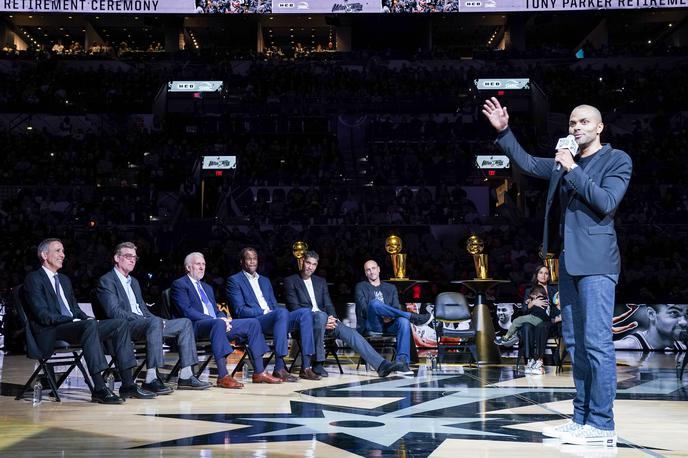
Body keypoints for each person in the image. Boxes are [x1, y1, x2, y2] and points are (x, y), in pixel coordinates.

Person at [483, 98, 632, 446]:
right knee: (576, 344)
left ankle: (602, 423)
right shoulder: (565, 161)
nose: (575, 127)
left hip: (598, 264)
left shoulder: (616, 159)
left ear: (599, 128)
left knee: (597, 344)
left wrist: (572, 170)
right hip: (568, 264)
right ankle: (581, 418)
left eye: (582, 122)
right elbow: (527, 162)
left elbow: (607, 202)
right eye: (570, 123)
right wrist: (504, 130)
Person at [23, 238, 153, 404]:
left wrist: (85, 318)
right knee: (89, 325)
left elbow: (75, 309)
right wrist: (75, 320)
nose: (62, 255)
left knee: (119, 323)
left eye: (63, 251)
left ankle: (128, 384)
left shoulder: (64, 280)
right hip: (51, 330)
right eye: (58, 251)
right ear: (44, 254)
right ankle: (99, 388)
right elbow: (43, 315)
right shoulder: (34, 279)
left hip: (75, 326)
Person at [96, 242, 211, 393]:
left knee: (184, 323)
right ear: (117, 258)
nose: (132, 260)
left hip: (146, 325)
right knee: (154, 322)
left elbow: (143, 309)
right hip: (124, 327)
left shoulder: (134, 282)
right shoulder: (107, 280)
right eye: (128, 256)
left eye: (134, 257)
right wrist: (147, 321)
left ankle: (186, 376)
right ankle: (151, 378)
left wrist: (158, 320)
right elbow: (114, 312)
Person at [283, 251, 405, 378]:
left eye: (314, 264)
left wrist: (333, 319)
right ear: (302, 261)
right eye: (308, 263)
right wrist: (324, 320)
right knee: (320, 317)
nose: (310, 267)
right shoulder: (290, 281)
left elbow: (329, 305)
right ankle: (317, 363)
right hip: (306, 324)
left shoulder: (320, 281)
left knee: (352, 333)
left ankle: (381, 365)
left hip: (327, 322)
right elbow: (295, 308)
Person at [171, 252, 282, 387]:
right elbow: (186, 311)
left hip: (216, 325)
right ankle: (223, 375)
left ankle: (259, 372)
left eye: (204, 264)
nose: (202, 267)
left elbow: (217, 311)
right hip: (194, 326)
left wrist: (224, 318)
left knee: (252, 323)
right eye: (198, 264)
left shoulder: (207, 287)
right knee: (217, 323)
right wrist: (216, 320)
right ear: (188, 267)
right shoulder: (180, 284)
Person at [226, 247, 319, 382]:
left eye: (255, 258)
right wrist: (264, 312)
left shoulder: (265, 280)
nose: (252, 262)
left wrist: (274, 312)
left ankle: (306, 367)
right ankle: (279, 366)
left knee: (305, 313)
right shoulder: (234, 280)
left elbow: (274, 305)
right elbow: (240, 311)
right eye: (249, 258)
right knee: (280, 313)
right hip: (256, 321)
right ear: (242, 261)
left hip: (275, 319)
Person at [354, 260, 431, 376]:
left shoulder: (390, 288)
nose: (371, 272)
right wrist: (384, 314)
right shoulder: (361, 286)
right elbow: (364, 310)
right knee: (374, 303)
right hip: (372, 323)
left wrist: (389, 316)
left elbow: (395, 308)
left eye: (373, 268)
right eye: (368, 270)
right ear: (365, 273)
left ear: (379, 269)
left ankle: (402, 363)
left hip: (389, 323)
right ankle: (413, 317)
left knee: (403, 321)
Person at [614, 304, 688, 351]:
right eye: (674, 313)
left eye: (686, 315)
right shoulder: (625, 347)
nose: (684, 322)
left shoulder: (682, 347)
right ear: (651, 314)